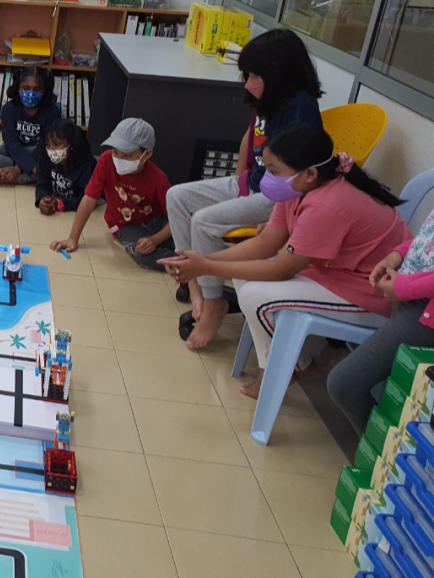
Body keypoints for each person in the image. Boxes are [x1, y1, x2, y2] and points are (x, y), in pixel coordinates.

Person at [160, 125, 411, 399]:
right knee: (245, 277)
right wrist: (202, 259)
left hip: (374, 291)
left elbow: (281, 269)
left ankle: (285, 367)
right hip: (339, 273)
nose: (268, 178)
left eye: (274, 171)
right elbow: (265, 243)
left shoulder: (326, 204)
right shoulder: (297, 188)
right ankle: (290, 364)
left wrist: (206, 266)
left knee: (256, 296)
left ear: (309, 173)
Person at [166, 28, 324, 350]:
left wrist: (271, 214)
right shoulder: (267, 98)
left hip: (277, 196)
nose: (248, 84)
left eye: (255, 75)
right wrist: (239, 182)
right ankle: (193, 283)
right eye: (247, 75)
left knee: (204, 222)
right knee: (176, 196)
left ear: (279, 74)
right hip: (251, 183)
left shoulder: (300, 107)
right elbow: (248, 139)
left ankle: (214, 302)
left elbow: (300, 175)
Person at [327, 208, 434, 433]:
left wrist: (403, 288)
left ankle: (379, 451)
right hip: (410, 302)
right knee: (394, 393)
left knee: (345, 383)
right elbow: (428, 239)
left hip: (424, 314)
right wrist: (399, 254)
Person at [49, 118, 176, 271]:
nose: (119, 159)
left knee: (185, 237)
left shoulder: (158, 179)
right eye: (116, 152)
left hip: (156, 220)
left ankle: (189, 260)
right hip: (124, 225)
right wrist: (72, 238)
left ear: (147, 154)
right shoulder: (106, 161)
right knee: (141, 252)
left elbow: (176, 219)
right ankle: (180, 263)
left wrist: (155, 239)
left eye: (127, 155)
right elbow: (89, 200)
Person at [0, 66, 61, 185]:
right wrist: (28, 165)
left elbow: (45, 145)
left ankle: (18, 177)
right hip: (13, 151)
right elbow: (11, 143)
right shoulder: (8, 109)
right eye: (26, 88)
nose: (30, 94)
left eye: (37, 89)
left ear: (44, 90)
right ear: (18, 88)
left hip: (40, 153)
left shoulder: (53, 112)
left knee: (58, 162)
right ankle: (32, 172)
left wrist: (18, 169)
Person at [35, 119, 96, 215]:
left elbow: (89, 199)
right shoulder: (45, 157)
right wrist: (43, 200)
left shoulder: (87, 165)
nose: (51, 149)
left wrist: (61, 204)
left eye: (57, 144)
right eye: (47, 144)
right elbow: (42, 184)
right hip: (59, 200)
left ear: (71, 145)